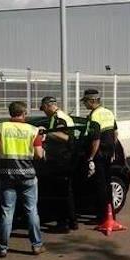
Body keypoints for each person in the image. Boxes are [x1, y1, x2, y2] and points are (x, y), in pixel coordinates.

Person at [0, 101, 45, 258]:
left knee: (7, 211)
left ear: (10, 113)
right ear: (24, 113)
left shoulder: (0, 128)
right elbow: (39, 155)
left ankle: (2, 248)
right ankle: (36, 245)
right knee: (32, 210)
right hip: (28, 176)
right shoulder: (33, 131)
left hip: (6, 175)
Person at [40, 96, 78, 231]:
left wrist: (47, 133)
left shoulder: (60, 119)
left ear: (48, 105)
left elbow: (68, 138)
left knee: (60, 193)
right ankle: (72, 221)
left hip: (61, 160)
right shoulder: (56, 117)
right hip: (60, 159)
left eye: (43, 109)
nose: (43, 112)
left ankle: (63, 224)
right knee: (66, 191)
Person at [81, 89, 118, 223]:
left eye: (85, 102)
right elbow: (115, 133)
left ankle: (102, 216)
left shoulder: (94, 115)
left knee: (100, 185)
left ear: (92, 101)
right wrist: (113, 150)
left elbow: (95, 139)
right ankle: (110, 214)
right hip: (109, 152)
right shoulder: (108, 112)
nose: (84, 104)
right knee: (108, 184)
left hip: (100, 154)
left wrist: (91, 157)